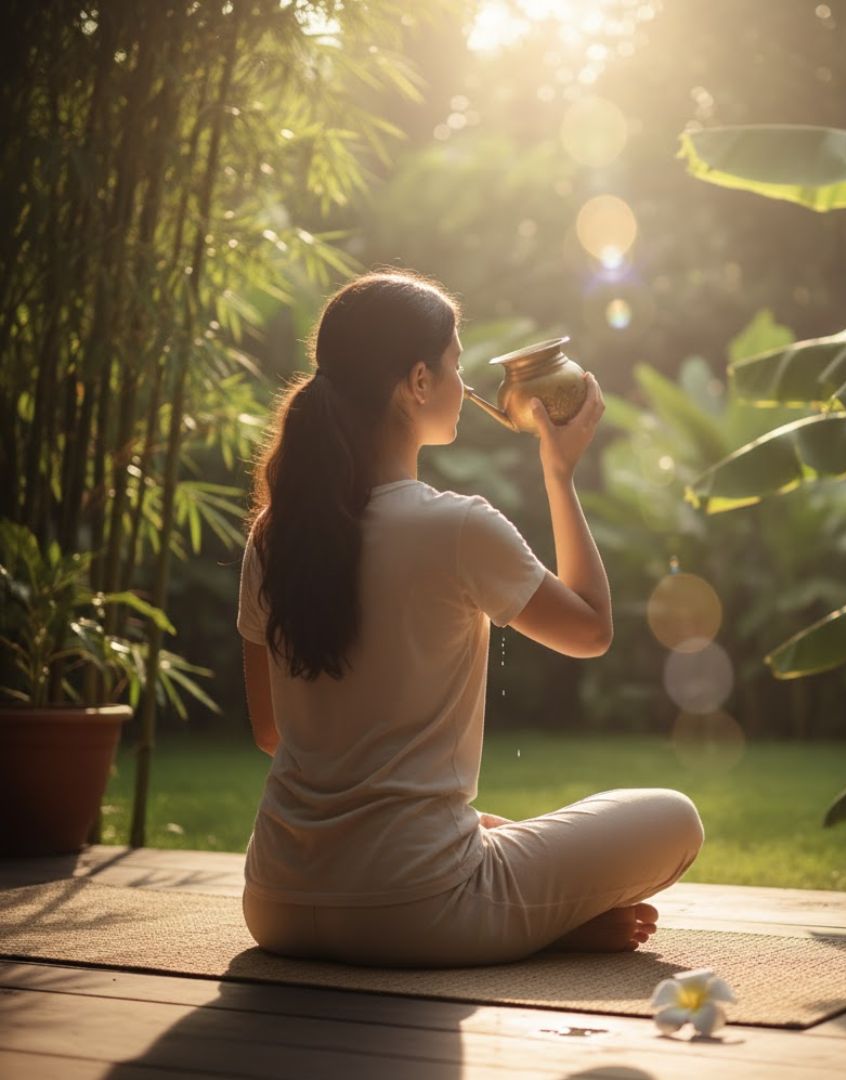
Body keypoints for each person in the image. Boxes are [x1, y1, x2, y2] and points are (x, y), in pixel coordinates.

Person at [237, 268, 704, 968]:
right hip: (419, 909)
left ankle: (529, 908)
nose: (464, 383)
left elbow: (273, 731)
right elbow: (591, 630)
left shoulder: (275, 533)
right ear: (418, 382)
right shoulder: (455, 527)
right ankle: (546, 922)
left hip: (275, 903)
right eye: (456, 363)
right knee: (676, 818)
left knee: (483, 831)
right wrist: (560, 472)